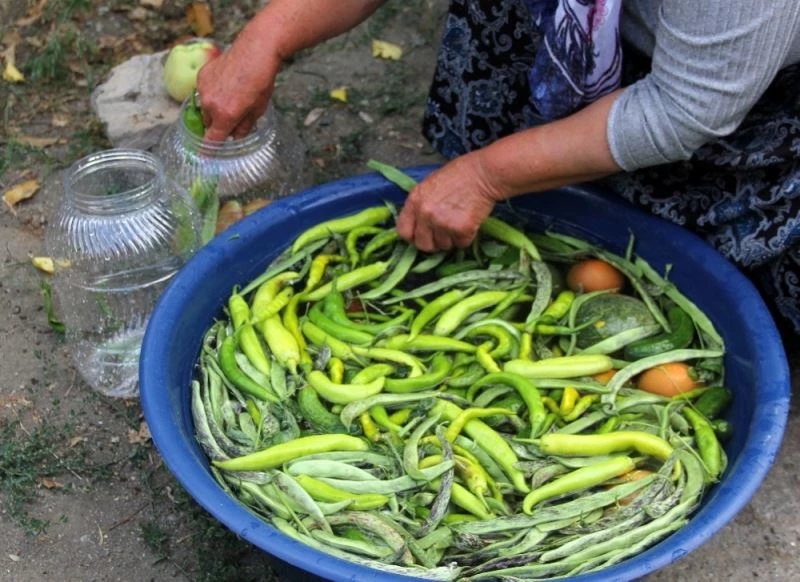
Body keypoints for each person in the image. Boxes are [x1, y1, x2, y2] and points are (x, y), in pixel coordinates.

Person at [196, 0, 800, 338]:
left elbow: (684, 108)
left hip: (742, 86)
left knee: (723, 281)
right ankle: (548, 150)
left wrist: (485, 176)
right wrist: (267, 37)